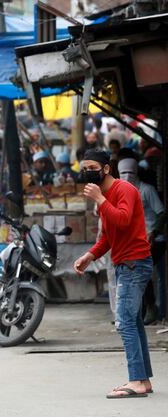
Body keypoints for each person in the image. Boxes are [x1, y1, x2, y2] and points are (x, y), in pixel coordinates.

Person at [73, 148, 154, 398]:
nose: (88, 173)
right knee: (134, 322)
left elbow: (123, 220)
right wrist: (90, 255)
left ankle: (137, 381)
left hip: (134, 263)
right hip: (125, 263)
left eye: (92, 168)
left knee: (126, 322)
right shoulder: (106, 195)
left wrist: (100, 200)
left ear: (106, 169)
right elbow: (109, 236)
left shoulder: (124, 190)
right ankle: (143, 380)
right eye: (85, 168)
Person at [118, 155, 165, 326]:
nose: (127, 176)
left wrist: (153, 232)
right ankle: (140, 310)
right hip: (136, 241)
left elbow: (162, 212)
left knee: (140, 271)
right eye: (123, 173)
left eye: (130, 172)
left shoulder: (146, 190)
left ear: (136, 172)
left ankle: (150, 308)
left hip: (155, 239)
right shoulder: (121, 192)